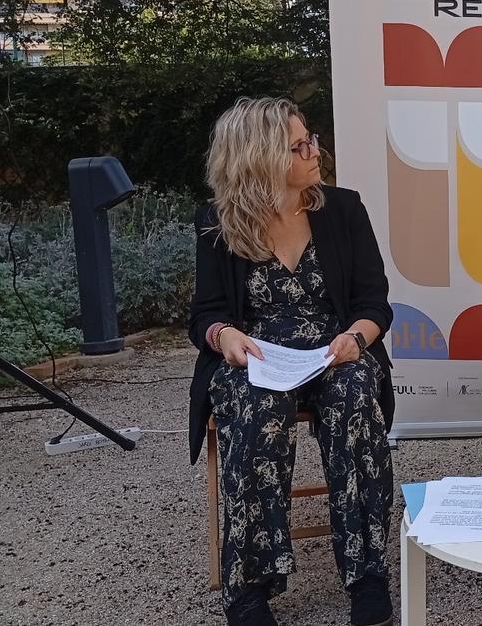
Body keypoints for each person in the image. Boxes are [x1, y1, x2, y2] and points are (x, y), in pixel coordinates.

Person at [187, 97, 395, 626]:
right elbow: (206, 315)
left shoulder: (343, 209)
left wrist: (356, 337)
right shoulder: (219, 222)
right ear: (258, 157)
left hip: (334, 350)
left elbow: (375, 303)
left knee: (352, 395)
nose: (313, 151)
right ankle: (250, 586)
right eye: (298, 145)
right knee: (255, 404)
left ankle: (367, 572)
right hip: (259, 357)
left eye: (312, 140)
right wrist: (224, 335)